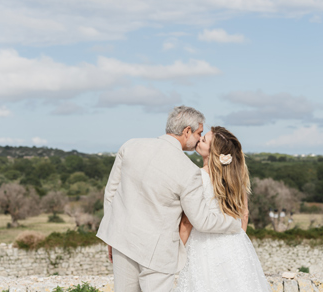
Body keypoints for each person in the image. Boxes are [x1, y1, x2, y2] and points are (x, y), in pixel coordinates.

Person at [96, 106, 242, 292]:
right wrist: (233, 224)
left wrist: (112, 236)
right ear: (186, 131)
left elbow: (111, 193)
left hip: (122, 240)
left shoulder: (130, 146)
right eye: (199, 133)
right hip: (157, 252)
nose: (199, 138)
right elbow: (201, 221)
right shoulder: (188, 171)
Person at [175, 126, 272, 292]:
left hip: (202, 247)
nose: (199, 140)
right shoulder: (236, 178)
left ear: (213, 152)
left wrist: (177, 254)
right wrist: (239, 245)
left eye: (204, 140)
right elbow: (245, 215)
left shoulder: (198, 177)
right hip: (234, 245)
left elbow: (186, 222)